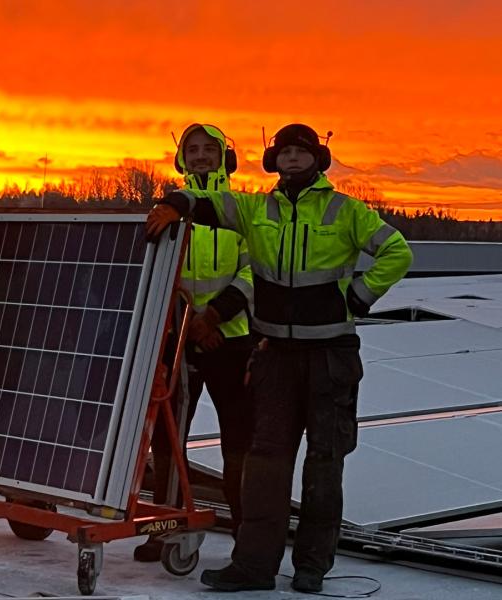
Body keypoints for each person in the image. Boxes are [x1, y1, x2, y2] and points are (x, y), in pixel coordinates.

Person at [146, 124, 412, 592]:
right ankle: (254, 565)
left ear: (318, 159)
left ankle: (311, 565)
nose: (291, 158)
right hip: (275, 356)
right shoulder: (256, 209)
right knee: (265, 464)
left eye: (300, 152)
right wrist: (175, 203)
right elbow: (207, 204)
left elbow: (397, 251)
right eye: (284, 151)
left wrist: (357, 298)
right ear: (273, 160)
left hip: (328, 355)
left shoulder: (345, 210)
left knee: (324, 464)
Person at [134, 124, 254, 562]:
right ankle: (164, 528)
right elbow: (154, 272)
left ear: (226, 157)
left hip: (230, 341)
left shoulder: (244, 211)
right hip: (178, 339)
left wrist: (215, 317)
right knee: (168, 441)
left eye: (210, 149)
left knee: (239, 442)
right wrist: (185, 324)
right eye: (193, 149)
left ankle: (247, 535)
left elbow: (255, 272)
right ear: (181, 158)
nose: (201, 156)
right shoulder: (166, 211)